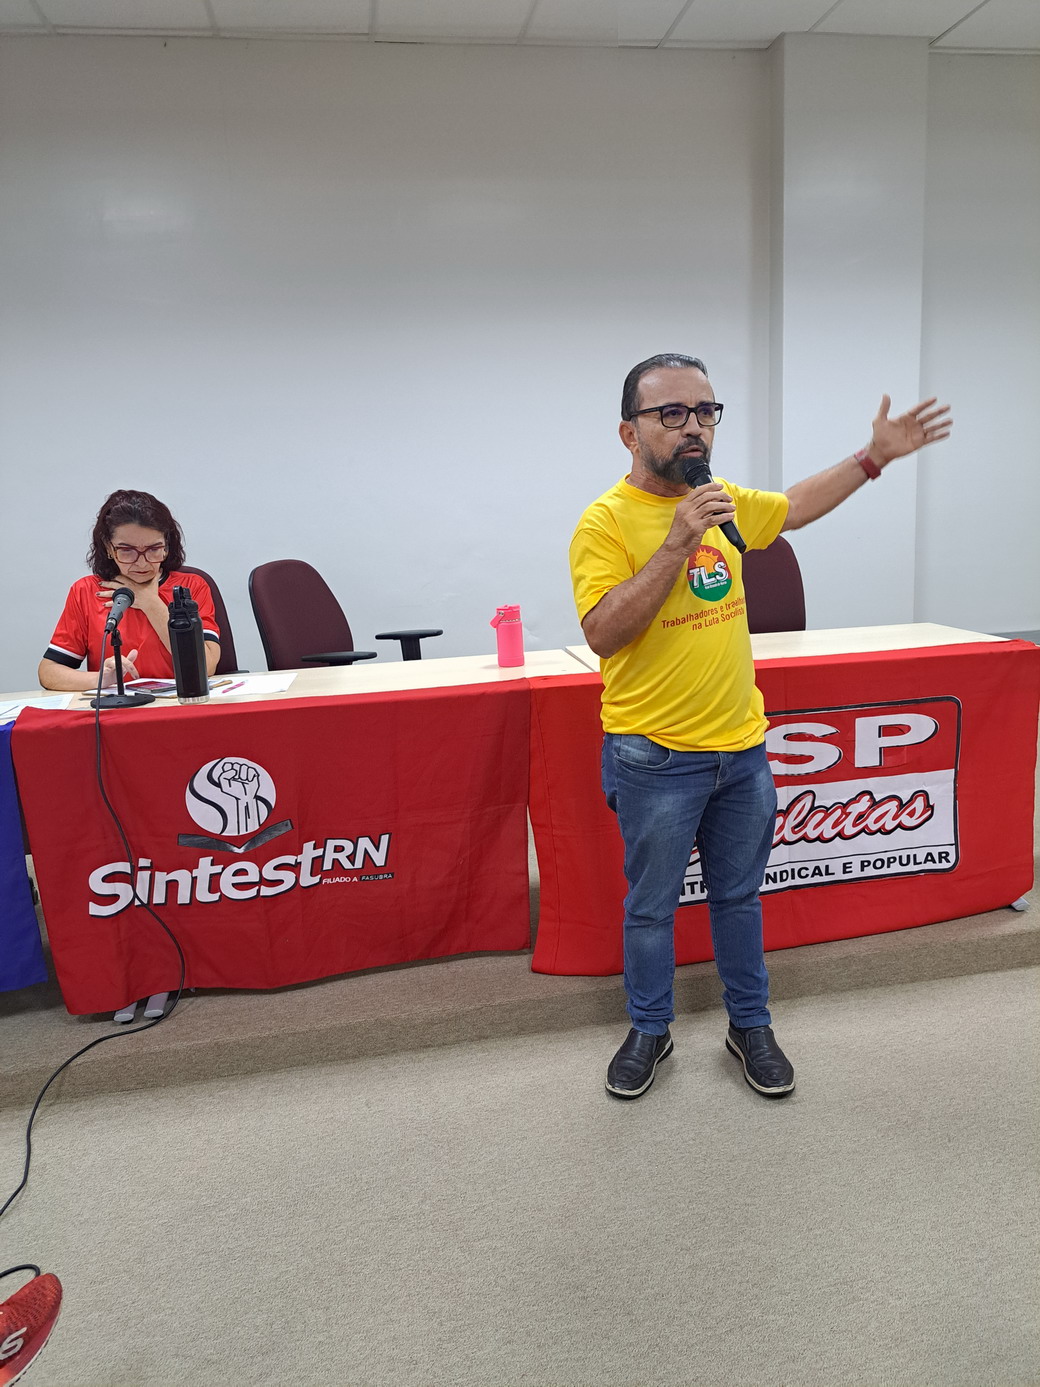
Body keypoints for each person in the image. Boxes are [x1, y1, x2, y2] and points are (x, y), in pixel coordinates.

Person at [570, 354, 951, 1101]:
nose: (694, 428)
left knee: (739, 898)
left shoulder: (719, 501)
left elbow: (794, 506)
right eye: (671, 414)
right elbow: (604, 632)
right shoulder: (605, 522)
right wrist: (676, 544)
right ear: (629, 432)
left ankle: (750, 1025)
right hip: (655, 755)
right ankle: (650, 1027)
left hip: (741, 751)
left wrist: (873, 457)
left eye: (705, 411)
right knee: (650, 907)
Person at [38, 490, 221, 692]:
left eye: (154, 549)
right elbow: (48, 672)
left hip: (182, 702)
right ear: (109, 547)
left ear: (166, 547)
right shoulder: (86, 591)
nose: (141, 563)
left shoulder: (191, 586)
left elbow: (206, 666)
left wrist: (150, 603)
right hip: (118, 705)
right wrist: (100, 679)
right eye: (126, 550)